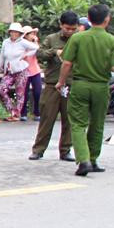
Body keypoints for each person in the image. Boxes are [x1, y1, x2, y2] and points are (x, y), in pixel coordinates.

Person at [55, 3, 114, 177]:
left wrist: (60, 82)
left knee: (77, 124)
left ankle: (83, 160)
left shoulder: (77, 38)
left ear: (89, 19)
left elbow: (67, 63)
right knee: (97, 124)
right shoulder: (113, 41)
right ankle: (93, 159)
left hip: (80, 84)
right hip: (101, 86)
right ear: (107, 20)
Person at [29, 11, 78, 161]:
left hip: (71, 84)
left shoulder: (78, 40)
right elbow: (39, 54)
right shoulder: (51, 39)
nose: (69, 31)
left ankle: (65, 150)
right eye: (67, 28)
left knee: (69, 120)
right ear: (61, 25)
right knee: (46, 118)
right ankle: (38, 149)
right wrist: (55, 52)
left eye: (73, 29)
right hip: (52, 85)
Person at [0, 23, 37, 121]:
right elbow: (2, 56)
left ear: (19, 33)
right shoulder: (6, 42)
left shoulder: (23, 42)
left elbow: (35, 48)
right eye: (12, 32)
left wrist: (26, 55)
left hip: (21, 70)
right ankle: (11, 110)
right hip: (9, 70)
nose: (14, 34)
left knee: (20, 93)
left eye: (16, 32)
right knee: (1, 90)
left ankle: (16, 114)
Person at [20, 28, 42, 121]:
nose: (32, 35)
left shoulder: (35, 45)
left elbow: (39, 52)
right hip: (24, 71)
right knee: (24, 93)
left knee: (37, 92)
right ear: (25, 35)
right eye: (30, 34)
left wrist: (36, 42)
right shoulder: (21, 44)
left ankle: (37, 112)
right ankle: (23, 113)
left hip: (35, 71)